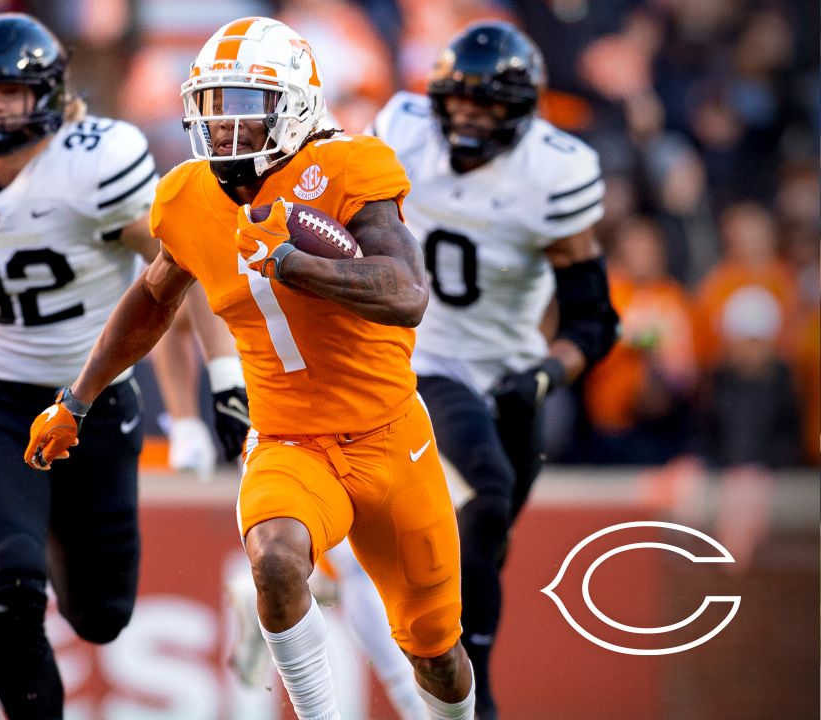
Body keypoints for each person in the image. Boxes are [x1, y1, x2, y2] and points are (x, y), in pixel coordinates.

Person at [27, 16, 475, 720]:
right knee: (273, 558)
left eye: (246, 107)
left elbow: (408, 294)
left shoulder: (351, 168)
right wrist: (75, 400)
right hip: (288, 441)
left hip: (391, 441)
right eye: (215, 107)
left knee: (437, 655)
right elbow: (150, 303)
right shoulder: (187, 197)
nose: (227, 128)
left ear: (296, 105)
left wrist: (297, 265)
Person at [262, 21, 618, 720]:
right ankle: (467, 696)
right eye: (457, 103)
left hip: (509, 372)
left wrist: (546, 374)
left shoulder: (555, 171)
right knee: (480, 497)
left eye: (486, 107)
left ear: (520, 112)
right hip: (420, 357)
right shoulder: (401, 129)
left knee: (485, 536)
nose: (467, 119)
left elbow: (594, 318)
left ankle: (351, 592)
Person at [0, 14, 239, 719]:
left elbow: (185, 270)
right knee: (10, 596)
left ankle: (35, 525)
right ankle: (18, 537)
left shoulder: (95, 167)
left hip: (94, 403)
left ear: (48, 95)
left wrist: (222, 381)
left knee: (102, 616)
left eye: (11, 93)